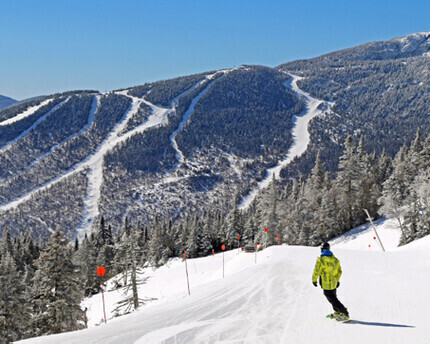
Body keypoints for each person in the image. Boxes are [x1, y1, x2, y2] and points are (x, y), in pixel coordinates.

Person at [312, 242, 349, 321]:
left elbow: (317, 271)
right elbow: (339, 271)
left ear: (321, 250)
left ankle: (344, 313)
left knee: (332, 299)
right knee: (333, 297)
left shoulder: (321, 260)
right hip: (334, 283)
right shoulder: (335, 260)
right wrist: (337, 280)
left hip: (326, 284)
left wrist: (314, 280)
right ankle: (337, 312)